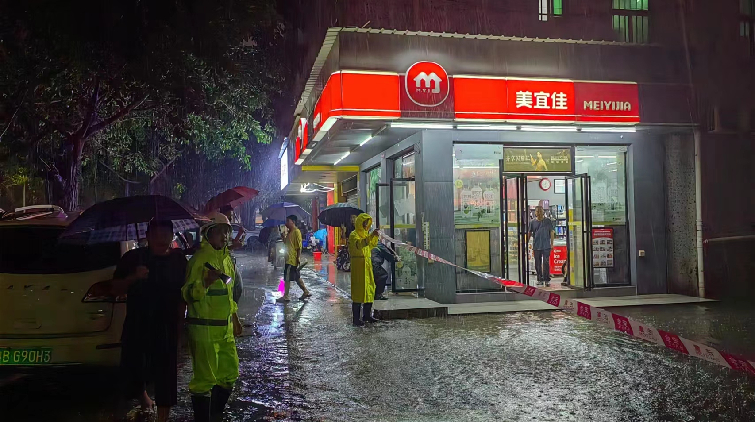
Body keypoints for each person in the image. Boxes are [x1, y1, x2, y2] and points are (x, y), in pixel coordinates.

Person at [113, 219, 187, 422]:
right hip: (138, 323)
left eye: (166, 235)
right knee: (133, 369)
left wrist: (180, 328)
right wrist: (133, 277)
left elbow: (184, 295)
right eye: (156, 235)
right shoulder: (133, 258)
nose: (161, 240)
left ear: (172, 236)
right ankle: (144, 400)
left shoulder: (179, 259)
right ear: (147, 236)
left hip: (167, 325)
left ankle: (163, 416)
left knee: (166, 375)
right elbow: (116, 289)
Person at [182, 212, 243, 422]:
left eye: (227, 231)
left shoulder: (226, 260)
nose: (225, 236)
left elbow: (229, 293)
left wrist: (234, 319)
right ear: (209, 234)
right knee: (204, 380)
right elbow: (188, 294)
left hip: (224, 330)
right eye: (220, 232)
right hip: (203, 330)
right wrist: (205, 283)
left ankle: (215, 414)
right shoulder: (200, 260)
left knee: (229, 374)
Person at [349, 213, 380, 326]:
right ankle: (356, 319)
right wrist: (371, 235)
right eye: (365, 222)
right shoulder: (354, 235)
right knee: (359, 290)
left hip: (367, 265)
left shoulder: (366, 234)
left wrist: (375, 236)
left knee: (370, 289)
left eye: (368, 222)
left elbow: (370, 245)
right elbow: (360, 244)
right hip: (358, 266)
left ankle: (367, 315)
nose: (367, 225)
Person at [277, 215, 311, 302]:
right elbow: (287, 243)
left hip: (292, 259)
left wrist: (298, 257)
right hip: (288, 257)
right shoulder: (289, 232)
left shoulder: (296, 232)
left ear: (293, 222)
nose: (286, 223)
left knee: (287, 277)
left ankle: (286, 296)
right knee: (296, 277)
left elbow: (299, 246)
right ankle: (306, 292)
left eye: (288, 221)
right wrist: (283, 237)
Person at [528, 205, 555, 286]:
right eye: (537, 211)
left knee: (546, 262)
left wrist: (552, 243)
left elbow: (551, 232)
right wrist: (525, 243)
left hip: (546, 245)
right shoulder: (532, 222)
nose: (539, 213)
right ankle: (539, 279)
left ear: (543, 212)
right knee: (537, 263)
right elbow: (529, 233)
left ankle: (547, 279)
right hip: (537, 245)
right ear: (535, 213)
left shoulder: (548, 221)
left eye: (540, 211)